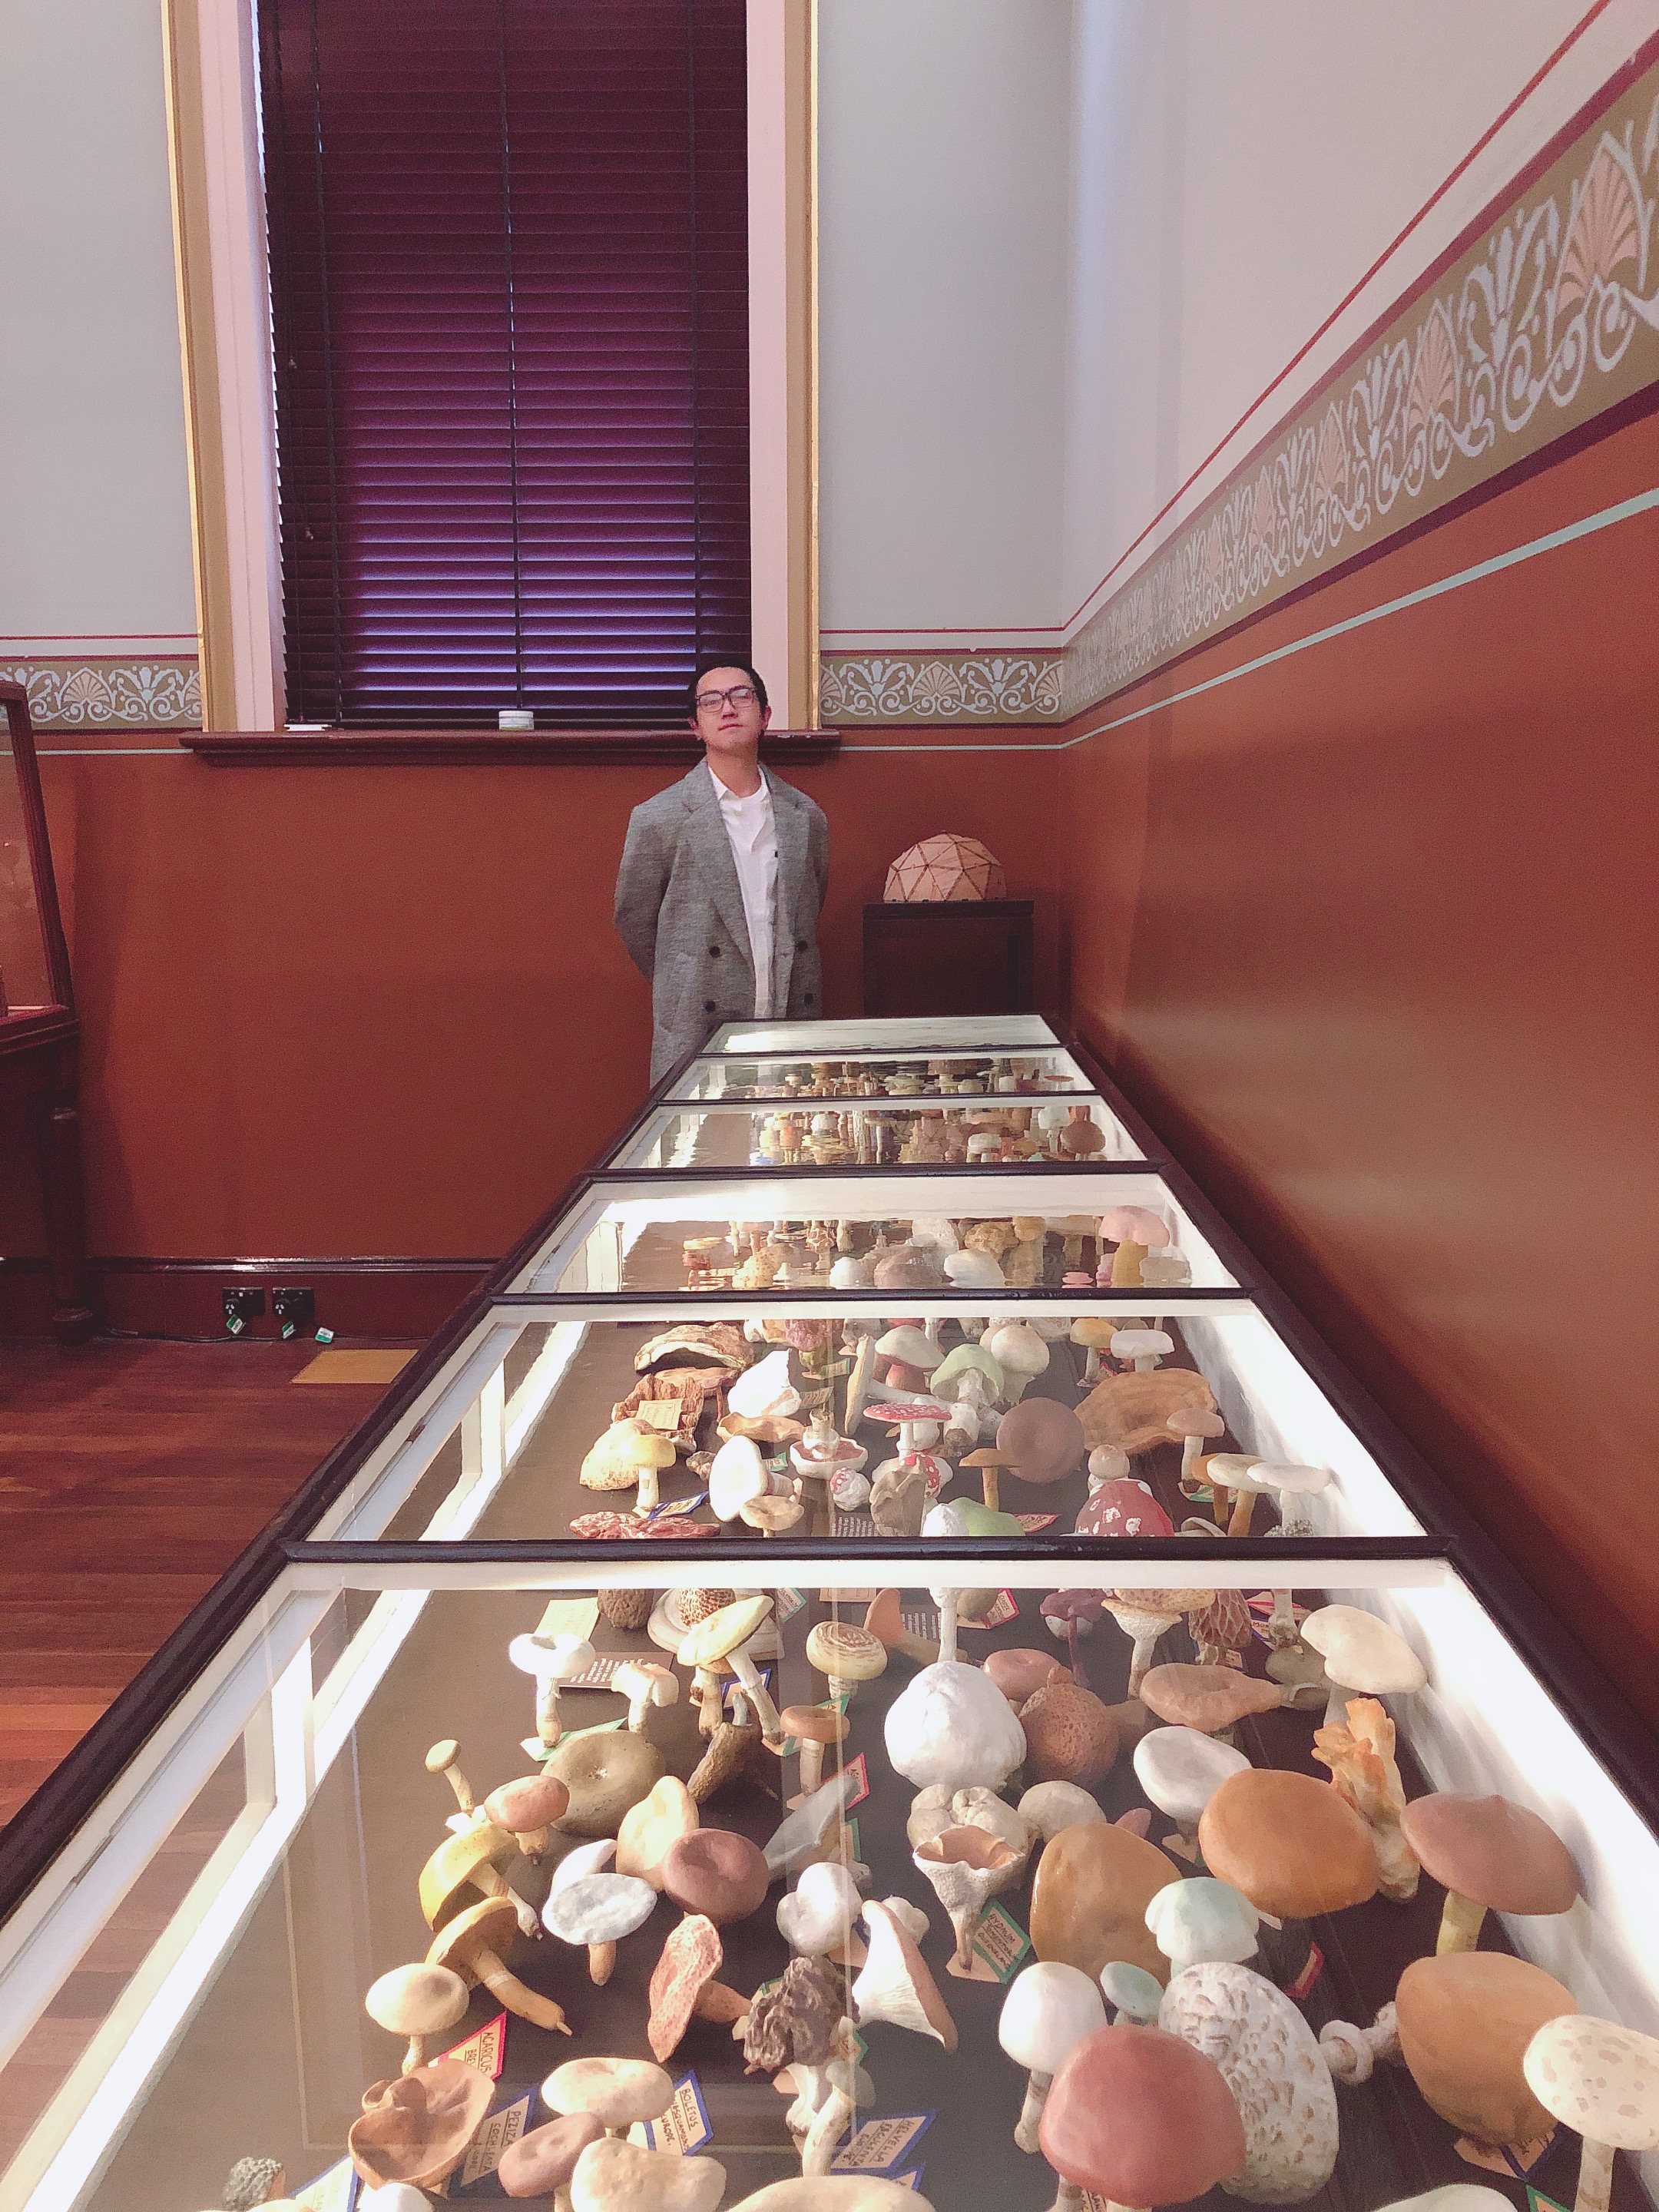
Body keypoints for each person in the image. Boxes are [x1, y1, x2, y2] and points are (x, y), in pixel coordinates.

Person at [614, 659, 830, 1081]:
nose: (728, 709)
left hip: (790, 1024)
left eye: (741, 696)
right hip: (698, 1028)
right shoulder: (658, 818)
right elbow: (635, 920)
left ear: (765, 716)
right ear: (695, 726)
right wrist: (686, 974)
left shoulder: (806, 816)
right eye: (711, 701)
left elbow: (809, 910)